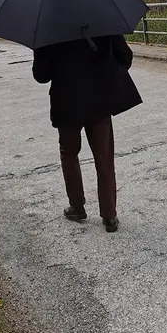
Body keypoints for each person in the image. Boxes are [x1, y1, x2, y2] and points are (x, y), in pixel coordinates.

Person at [32, 34, 142, 232]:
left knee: (69, 154)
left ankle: (77, 206)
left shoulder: (48, 28)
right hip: (99, 101)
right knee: (104, 157)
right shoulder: (100, 21)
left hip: (66, 103)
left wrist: (39, 48)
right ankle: (109, 215)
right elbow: (125, 56)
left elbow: (41, 76)